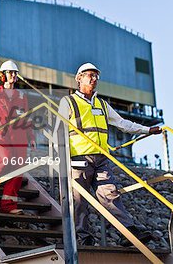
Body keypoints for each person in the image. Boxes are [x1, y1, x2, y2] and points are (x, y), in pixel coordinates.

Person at [55, 62, 162, 246]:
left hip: (101, 159)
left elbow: (123, 123)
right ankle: (83, 238)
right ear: (79, 78)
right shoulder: (69, 102)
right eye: (90, 75)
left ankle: (128, 232)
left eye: (96, 76)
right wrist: (61, 159)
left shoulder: (102, 105)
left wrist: (147, 130)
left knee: (110, 194)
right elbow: (59, 131)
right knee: (79, 200)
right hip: (78, 159)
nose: (94, 79)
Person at [0, 60, 36, 214]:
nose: (13, 75)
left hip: (19, 136)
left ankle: (8, 204)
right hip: (0, 134)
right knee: (5, 159)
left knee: (18, 169)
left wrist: (31, 136)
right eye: (10, 72)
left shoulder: (21, 95)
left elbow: (26, 117)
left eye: (15, 73)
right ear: (3, 75)